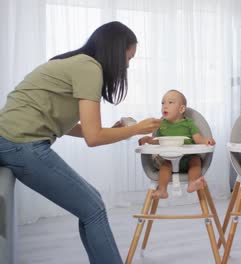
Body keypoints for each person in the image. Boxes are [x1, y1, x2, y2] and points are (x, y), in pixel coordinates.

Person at [0, 21, 161, 263]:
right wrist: (136, 129)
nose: (127, 65)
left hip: (12, 141)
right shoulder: (90, 68)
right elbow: (93, 138)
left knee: (92, 205)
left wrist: (111, 130)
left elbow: (64, 124)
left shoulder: (73, 63)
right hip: (21, 144)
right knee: (93, 209)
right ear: (114, 52)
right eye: (127, 58)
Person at [138, 90, 215, 199]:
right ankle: (162, 190)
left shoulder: (188, 123)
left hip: (188, 158)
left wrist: (206, 141)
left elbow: (197, 139)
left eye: (170, 102)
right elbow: (158, 140)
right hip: (168, 158)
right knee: (164, 166)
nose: (165, 106)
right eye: (163, 103)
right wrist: (148, 139)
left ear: (181, 109)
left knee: (196, 161)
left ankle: (192, 183)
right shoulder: (162, 124)